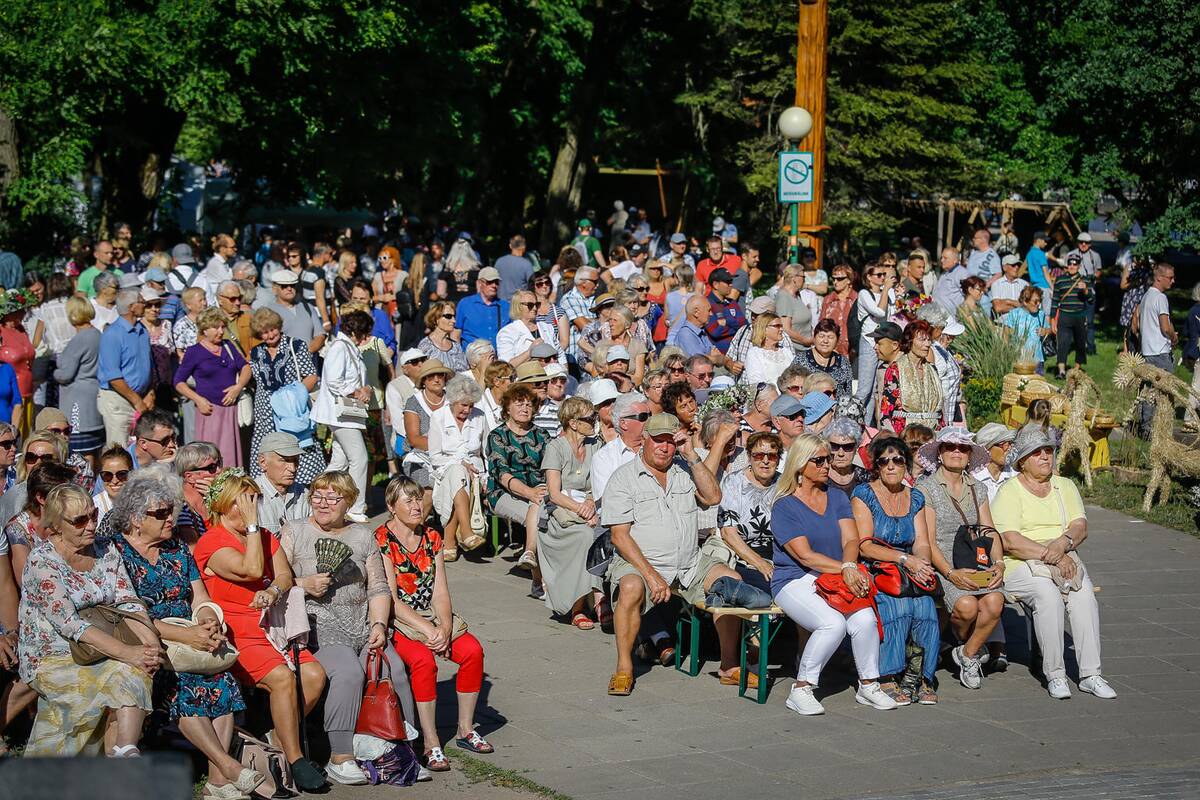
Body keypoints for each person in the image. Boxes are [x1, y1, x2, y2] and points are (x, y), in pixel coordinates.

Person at [108, 468, 261, 797]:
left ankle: (217, 783)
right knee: (185, 684)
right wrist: (185, 636)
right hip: (148, 639)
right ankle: (228, 767)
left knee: (222, 680)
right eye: (160, 513)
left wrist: (208, 620)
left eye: (171, 511)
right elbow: (126, 613)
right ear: (135, 519)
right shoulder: (116, 554)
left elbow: (199, 597)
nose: (170, 519)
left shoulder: (176, 549)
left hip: (191, 635)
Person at [603, 413, 769, 695]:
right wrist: (651, 576)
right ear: (645, 440)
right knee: (630, 587)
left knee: (731, 580)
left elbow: (713, 497)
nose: (665, 447)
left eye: (671, 441)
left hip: (690, 563)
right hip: (642, 563)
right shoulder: (624, 478)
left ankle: (729, 666)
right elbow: (619, 536)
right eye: (659, 440)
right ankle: (623, 668)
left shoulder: (684, 469)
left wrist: (691, 455)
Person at [193, 469, 330, 790]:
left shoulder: (265, 536)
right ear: (224, 505)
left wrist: (274, 591)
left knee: (314, 676)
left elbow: (283, 575)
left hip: (272, 627)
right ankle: (295, 759)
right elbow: (252, 569)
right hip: (235, 633)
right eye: (244, 501)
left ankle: (278, 738)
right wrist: (254, 526)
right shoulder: (212, 542)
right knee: (282, 678)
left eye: (254, 500)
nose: (251, 507)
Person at [280, 470, 416, 785]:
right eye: (317, 496)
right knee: (349, 672)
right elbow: (275, 579)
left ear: (349, 501)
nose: (322, 503)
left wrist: (378, 623)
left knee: (393, 668)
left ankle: (403, 752)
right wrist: (303, 583)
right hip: (317, 624)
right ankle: (340, 757)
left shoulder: (362, 536)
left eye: (332, 497)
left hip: (362, 621)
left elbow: (378, 587)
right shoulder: (295, 531)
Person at [18, 484, 158, 756]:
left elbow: (127, 600)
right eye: (80, 521)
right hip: (54, 652)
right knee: (122, 673)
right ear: (56, 526)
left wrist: (150, 644)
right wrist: (129, 653)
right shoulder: (42, 561)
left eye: (93, 515)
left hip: (102, 645)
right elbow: (70, 624)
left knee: (135, 670)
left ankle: (124, 751)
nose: (92, 525)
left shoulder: (105, 549)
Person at [770, 434, 896, 716]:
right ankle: (801, 688)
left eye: (827, 459)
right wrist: (846, 568)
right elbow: (805, 556)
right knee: (832, 624)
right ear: (801, 464)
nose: (828, 464)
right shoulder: (784, 506)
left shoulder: (837, 496)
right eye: (819, 460)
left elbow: (851, 540)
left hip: (835, 575)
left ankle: (868, 684)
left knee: (865, 619)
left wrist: (849, 565)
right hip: (794, 579)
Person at [991, 425, 1115, 700]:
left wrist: (1063, 544)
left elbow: (1080, 526)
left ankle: (1090, 674)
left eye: (1048, 450)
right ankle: (1055, 674)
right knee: (1047, 596)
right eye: (1037, 452)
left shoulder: (1064, 486)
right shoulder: (1010, 491)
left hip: (1064, 554)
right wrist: (1054, 555)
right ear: (1022, 460)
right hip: (1021, 562)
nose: (1045, 456)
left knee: (1084, 596)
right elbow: (1010, 541)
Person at [375, 476, 490, 772]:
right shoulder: (382, 540)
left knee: (473, 651)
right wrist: (429, 631)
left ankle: (465, 729)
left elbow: (440, 591)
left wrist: (445, 628)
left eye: (418, 499)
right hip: (399, 620)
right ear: (391, 506)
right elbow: (390, 600)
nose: (417, 506)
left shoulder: (431, 537)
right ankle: (430, 740)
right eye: (408, 500)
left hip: (431, 616)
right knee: (424, 662)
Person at [915, 428, 1006, 690]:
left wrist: (999, 563)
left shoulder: (978, 488)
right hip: (943, 562)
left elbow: (989, 530)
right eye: (950, 447)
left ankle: (967, 653)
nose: (957, 451)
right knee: (967, 606)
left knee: (995, 601)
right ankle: (966, 643)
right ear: (940, 453)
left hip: (975, 559)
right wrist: (950, 573)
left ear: (969, 455)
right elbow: (929, 540)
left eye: (963, 448)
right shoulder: (926, 488)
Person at [853, 437, 940, 705]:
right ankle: (887, 674)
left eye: (898, 460)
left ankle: (921, 675)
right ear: (876, 466)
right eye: (884, 461)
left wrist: (921, 565)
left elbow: (922, 542)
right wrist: (904, 559)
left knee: (925, 607)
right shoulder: (864, 494)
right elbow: (865, 545)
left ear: (906, 464)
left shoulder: (915, 497)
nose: (891, 466)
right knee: (897, 607)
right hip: (879, 566)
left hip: (909, 567)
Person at [538, 395, 605, 626]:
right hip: (560, 514)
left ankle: (599, 599)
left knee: (602, 533)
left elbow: (599, 481)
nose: (594, 421)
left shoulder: (595, 445)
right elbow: (554, 493)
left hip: (589, 507)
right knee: (586, 536)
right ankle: (579, 607)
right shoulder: (556, 447)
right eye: (590, 418)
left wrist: (590, 502)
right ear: (574, 423)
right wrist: (582, 509)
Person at [247, 307, 325, 484]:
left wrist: (294, 397)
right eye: (264, 332)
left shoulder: (295, 345)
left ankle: (303, 484)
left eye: (272, 329)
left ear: (279, 326)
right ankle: (269, 486)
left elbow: (311, 376)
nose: (270, 335)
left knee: (296, 444)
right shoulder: (256, 352)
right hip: (265, 411)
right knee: (268, 448)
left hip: (290, 409)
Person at [311, 310, 374, 523]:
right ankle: (355, 507)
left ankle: (315, 496)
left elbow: (356, 380)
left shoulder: (350, 348)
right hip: (339, 415)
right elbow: (334, 381)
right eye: (364, 333)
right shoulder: (340, 347)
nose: (366, 338)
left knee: (339, 461)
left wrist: (365, 389)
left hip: (347, 414)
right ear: (354, 332)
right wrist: (356, 392)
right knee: (359, 458)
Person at [174, 307, 251, 468]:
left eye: (223, 327)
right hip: (209, 412)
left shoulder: (228, 346)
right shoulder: (194, 352)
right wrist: (198, 399)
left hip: (230, 410)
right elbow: (179, 382)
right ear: (205, 329)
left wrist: (238, 387)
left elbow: (245, 367)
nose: (221, 331)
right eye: (216, 327)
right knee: (210, 456)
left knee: (230, 455)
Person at [486, 383, 551, 575]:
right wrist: (529, 493)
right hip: (504, 492)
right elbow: (501, 473)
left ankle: (533, 565)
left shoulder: (541, 435)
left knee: (541, 513)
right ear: (507, 408)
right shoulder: (497, 436)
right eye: (519, 403)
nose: (525, 408)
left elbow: (551, 466)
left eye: (529, 405)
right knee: (541, 521)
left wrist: (541, 491)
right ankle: (540, 576)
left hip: (539, 491)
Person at [716, 431, 783, 595]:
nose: (765, 461)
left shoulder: (785, 483)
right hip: (743, 556)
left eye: (772, 456)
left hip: (779, 555)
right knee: (770, 588)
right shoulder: (734, 482)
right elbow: (728, 533)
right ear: (749, 457)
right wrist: (760, 563)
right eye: (759, 455)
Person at [428, 375, 488, 560]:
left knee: (457, 479)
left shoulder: (479, 416)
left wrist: (486, 476)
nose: (467, 409)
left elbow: (486, 452)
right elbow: (435, 457)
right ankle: (466, 532)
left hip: (475, 473)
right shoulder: (438, 417)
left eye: (471, 405)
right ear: (453, 400)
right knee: (457, 472)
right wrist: (461, 463)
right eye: (463, 405)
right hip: (444, 469)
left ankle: (449, 543)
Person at [96, 288, 153, 446]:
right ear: (131, 307)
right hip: (118, 400)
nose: (145, 304)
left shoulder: (142, 330)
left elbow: (148, 365)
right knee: (119, 448)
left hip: (141, 397)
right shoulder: (112, 334)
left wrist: (150, 392)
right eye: (142, 301)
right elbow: (114, 378)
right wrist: (137, 402)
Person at [5, 459, 76, 584]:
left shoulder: (69, 520)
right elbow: (26, 581)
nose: (72, 499)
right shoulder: (17, 530)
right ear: (41, 498)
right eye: (64, 495)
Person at [878, 320, 943, 434]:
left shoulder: (932, 369)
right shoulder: (896, 369)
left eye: (928, 340)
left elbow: (940, 411)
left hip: (932, 434)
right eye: (922, 340)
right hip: (905, 434)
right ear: (910, 341)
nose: (927, 344)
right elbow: (886, 409)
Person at [853, 262, 897, 412]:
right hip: (869, 341)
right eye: (879, 275)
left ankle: (866, 424)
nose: (882, 278)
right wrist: (886, 290)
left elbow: (891, 313)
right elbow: (879, 312)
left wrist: (894, 293)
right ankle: (850, 420)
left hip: (884, 342)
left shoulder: (887, 292)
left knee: (874, 391)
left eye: (884, 274)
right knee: (864, 390)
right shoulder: (864, 294)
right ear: (869, 277)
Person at [255, 432, 313, 534]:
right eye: (284, 460)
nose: (293, 468)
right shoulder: (251, 496)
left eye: (295, 460)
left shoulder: (304, 494)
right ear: (263, 462)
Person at [258, 270, 326, 356]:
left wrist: (305, 353)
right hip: (283, 361)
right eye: (284, 286)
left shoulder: (307, 307)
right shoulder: (268, 312)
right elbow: (266, 341)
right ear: (274, 289)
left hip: (310, 360)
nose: (289, 289)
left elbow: (320, 335)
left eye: (292, 285)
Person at [1050, 253, 1094, 380]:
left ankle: (1076, 370)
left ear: (1079, 266)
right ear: (1067, 265)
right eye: (1070, 263)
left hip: (1080, 316)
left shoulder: (1085, 280)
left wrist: (1085, 290)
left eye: (1075, 264)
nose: (1072, 266)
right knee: (1063, 343)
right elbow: (1055, 300)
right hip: (1064, 315)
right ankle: (1061, 371)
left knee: (1080, 344)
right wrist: (1052, 320)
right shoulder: (1060, 280)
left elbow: (1091, 300)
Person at [497, 290, 557, 367]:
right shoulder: (507, 332)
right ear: (518, 307)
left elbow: (561, 357)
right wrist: (530, 352)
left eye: (537, 304)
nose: (535, 308)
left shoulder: (547, 327)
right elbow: (505, 367)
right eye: (530, 305)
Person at [796, 318, 853, 397]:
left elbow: (848, 391)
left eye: (830, 337)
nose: (825, 341)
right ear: (814, 338)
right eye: (821, 336)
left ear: (837, 340)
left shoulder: (843, 362)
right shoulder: (801, 359)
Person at [456, 267, 509, 347]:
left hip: (498, 353)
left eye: (496, 282)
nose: (494, 285)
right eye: (490, 282)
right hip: (472, 352)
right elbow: (456, 332)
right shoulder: (465, 304)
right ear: (480, 283)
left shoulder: (505, 306)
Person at [740, 312, 792, 387]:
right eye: (777, 326)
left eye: (781, 326)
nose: (781, 329)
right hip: (768, 393)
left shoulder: (786, 352)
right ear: (764, 329)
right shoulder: (755, 353)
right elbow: (756, 382)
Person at [1005, 287, 1050, 371]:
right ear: (1025, 302)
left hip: (1037, 359)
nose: (1038, 304)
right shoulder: (1014, 314)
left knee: (1037, 379)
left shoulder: (1041, 314)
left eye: (1040, 301)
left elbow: (1049, 330)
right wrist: (1007, 352)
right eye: (1035, 301)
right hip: (1018, 357)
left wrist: (1045, 331)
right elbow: (1006, 334)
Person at [823, 416, 870, 495]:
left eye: (848, 447)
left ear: (856, 448)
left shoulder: (865, 477)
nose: (841, 454)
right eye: (834, 446)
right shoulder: (820, 477)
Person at [93, 445, 133, 519]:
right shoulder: (95, 506)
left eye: (121, 474)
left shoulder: (143, 501)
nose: (115, 481)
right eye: (107, 475)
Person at [495, 235, 534, 302]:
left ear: (510, 246)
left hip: (500, 302)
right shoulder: (526, 264)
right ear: (524, 247)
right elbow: (532, 285)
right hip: (518, 304)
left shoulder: (499, 261)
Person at [990, 254, 1029, 320]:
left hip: (1022, 322)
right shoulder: (996, 284)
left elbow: (1028, 305)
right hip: (1004, 323)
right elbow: (997, 308)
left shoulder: (1025, 284)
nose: (1017, 267)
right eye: (1013, 265)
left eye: (1018, 265)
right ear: (1004, 267)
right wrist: (1019, 305)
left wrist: (1008, 301)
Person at [932, 246, 968, 312]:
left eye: (945, 258)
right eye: (942, 257)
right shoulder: (944, 273)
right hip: (937, 313)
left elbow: (968, 296)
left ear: (955, 260)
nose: (942, 260)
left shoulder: (962, 274)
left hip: (951, 316)